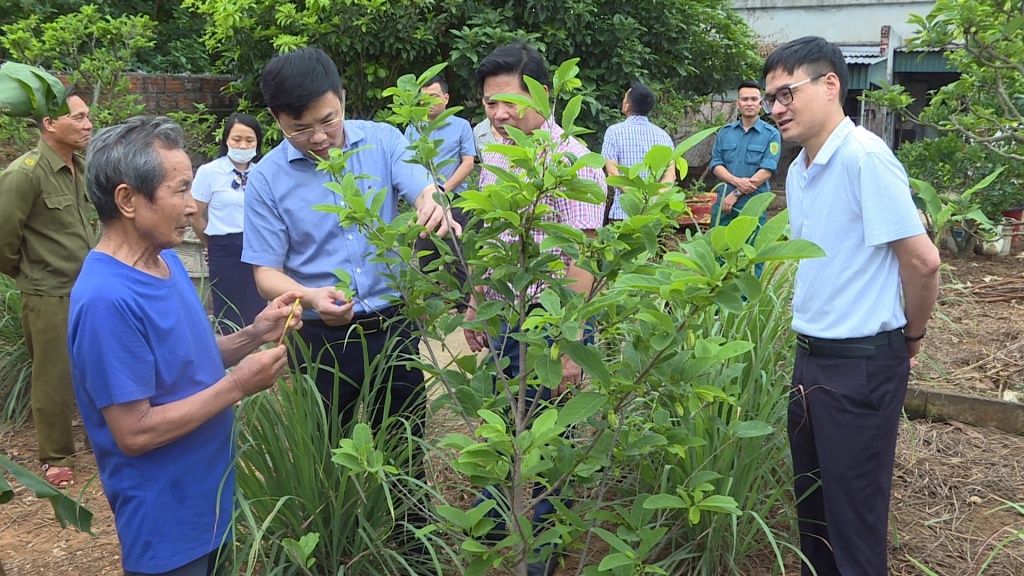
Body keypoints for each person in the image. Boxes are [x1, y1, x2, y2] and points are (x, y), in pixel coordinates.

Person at [68, 115, 302, 576]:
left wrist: (254, 333)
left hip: (208, 501)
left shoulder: (166, 262)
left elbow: (188, 357)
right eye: (180, 190)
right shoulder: (106, 299)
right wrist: (237, 386)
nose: (193, 206)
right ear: (127, 200)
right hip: (167, 525)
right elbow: (135, 431)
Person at [763, 36, 940, 576]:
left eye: (786, 93)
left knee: (854, 524)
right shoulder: (800, 170)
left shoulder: (865, 158)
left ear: (830, 84)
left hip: (861, 365)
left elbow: (923, 262)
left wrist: (911, 339)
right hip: (810, 360)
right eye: (770, 98)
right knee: (814, 519)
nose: (775, 108)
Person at [242, 47, 457, 435]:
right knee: (328, 452)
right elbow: (265, 274)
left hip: (393, 328)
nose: (320, 137)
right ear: (276, 119)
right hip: (319, 340)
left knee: (403, 448)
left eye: (328, 120)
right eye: (301, 129)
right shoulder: (266, 179)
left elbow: (423, 189)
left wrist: (433, 201)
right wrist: (310, 297)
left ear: (341, 97)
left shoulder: (384, 141)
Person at [463, 44, 606, 576]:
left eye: (508, 101)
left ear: (542, 95)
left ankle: (544, 556)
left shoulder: (571, 157)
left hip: (553, 326)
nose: (498, 114)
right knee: (498, 428)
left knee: (552, 438)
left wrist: (566, 345)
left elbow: (583, 257)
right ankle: (488, 538)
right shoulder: (497, 154)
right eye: (488, 103)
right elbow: (489, 235)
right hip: (503, 318)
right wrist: (478, 302)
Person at [0, 89, 94, 488]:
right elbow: (4, 239)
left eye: (88, 116)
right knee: (53, 378)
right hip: (49, 293)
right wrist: (33, 274)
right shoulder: (24, 173)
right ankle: (56, 454)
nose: (88, 124)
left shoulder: (84, 167)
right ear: (49, 123)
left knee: (99, 367)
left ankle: (103, 438)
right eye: (78, 117)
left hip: (90, 288)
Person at [190, 113, 267, 331]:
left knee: (258, 309)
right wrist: (210, 244)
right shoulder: (210, 172)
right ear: (226, 140)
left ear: (257, 142)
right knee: (228, 312)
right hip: (224, 249)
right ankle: (231, 360)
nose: (243, 145)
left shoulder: (263, 172)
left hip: (258, 246)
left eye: (249, 140)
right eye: (237, 139)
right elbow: (194, 214)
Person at [404, 76, 476, 305]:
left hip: (456, 200)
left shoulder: (461, 126)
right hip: (424, 204)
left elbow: (468, 163)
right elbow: (409, 165)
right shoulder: (413, 129)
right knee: (427, 253)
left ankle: (464, 306)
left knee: (458, 256)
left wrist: (443, 189)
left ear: (446, 98)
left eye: (434, 96)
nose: (429, 102)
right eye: (424, 98)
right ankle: (432, 305)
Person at [709, 80, 781, 228]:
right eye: (745, 99)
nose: (749, 103)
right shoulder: (725, 132)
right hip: (724, 204)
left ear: (761, 103)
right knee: (718, 248)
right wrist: (736, 182)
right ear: (738, 103)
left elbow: (767, 170)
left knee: (750, 248)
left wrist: (736, 193)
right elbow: (716, 164)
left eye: (754, 99)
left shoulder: (772, 135)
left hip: (753, 204)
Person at [600, 82, 676, 223]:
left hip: (622, 213)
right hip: (651, 216)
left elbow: (612, 173)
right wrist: (651, 201)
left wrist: (635, 197)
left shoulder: (614, 132)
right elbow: (670, 175)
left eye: (624, 98)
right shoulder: (663, 136)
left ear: (627, 106)